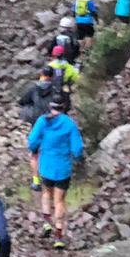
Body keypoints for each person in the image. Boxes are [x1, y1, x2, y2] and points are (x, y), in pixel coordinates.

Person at [28, 93, 85, 248]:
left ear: (50, 106)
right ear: (64, 107)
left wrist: (34, 149)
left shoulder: (43, 121)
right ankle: (58, 236)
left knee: (46, 193)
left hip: (46, 166)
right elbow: (77, 148)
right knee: (59, 201)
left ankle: (47, 222)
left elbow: (32, 141)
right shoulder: (69, 124)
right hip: (63, 169)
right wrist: (78, 158)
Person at [18, 67, 57, 187]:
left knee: (35, 154)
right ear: (52, 77)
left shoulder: (33, 88)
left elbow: (22, 101)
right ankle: (50, 179)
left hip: (36, 125)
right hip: (51, 125)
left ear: (41, 74)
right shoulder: (55, 90)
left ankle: (36, 181)